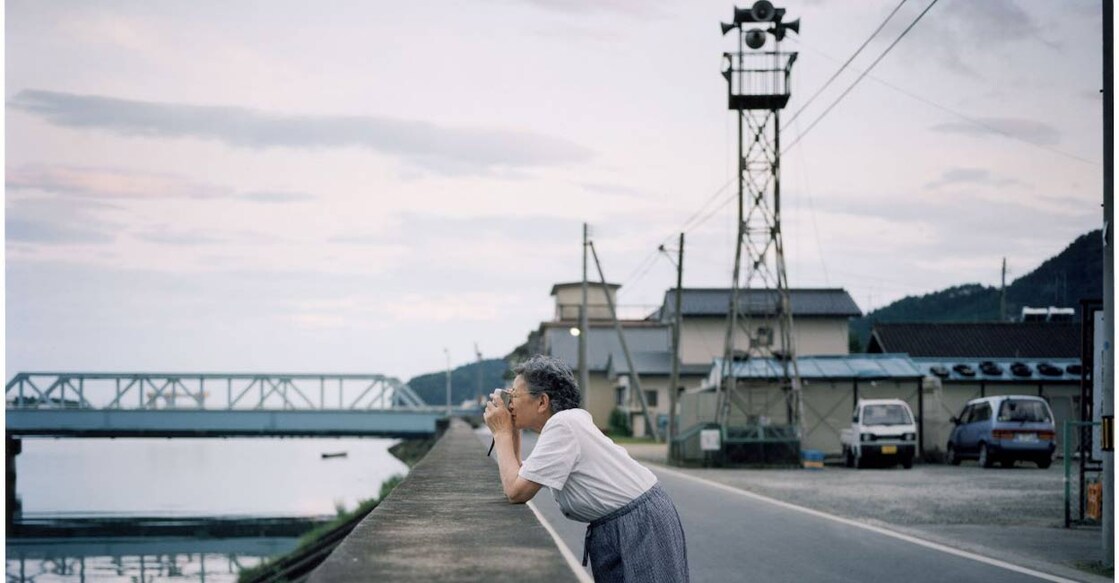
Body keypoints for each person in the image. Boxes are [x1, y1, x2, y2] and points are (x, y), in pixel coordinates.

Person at [483, 354, 689, 583]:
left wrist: (501, 432)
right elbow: (520, 476)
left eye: (513, 395)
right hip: (625, 521)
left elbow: (516, 491)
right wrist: (510, 431)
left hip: (641, 522)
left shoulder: (563, 426)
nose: (510, 404)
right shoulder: (564, 424)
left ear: (542, 402)